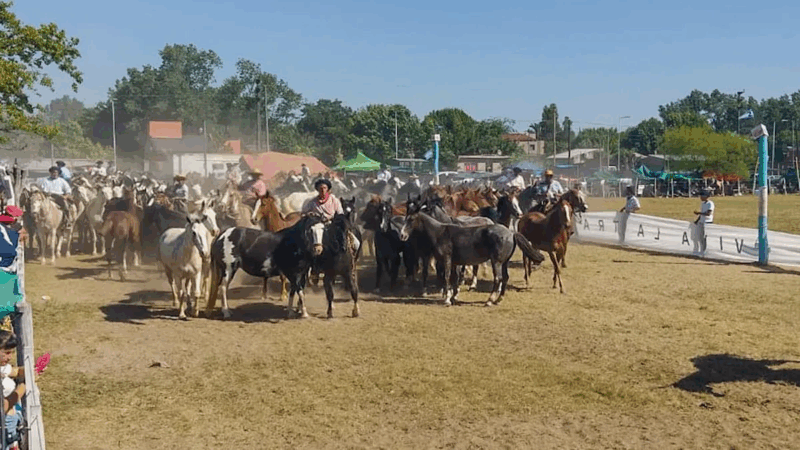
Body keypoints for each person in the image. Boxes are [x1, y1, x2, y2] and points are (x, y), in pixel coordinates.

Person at [0, 330, 27, 450]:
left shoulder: (2, 367)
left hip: (10, 423)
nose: (10, 357)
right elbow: (3, 406)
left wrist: (31, 371)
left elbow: (15, 371)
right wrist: (22, 388)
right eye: (6, 353)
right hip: (4, 427)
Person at [693, 189, 714, 253]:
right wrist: (697, 221)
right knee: (700, 237)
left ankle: (705, 251)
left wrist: (698, 213)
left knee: (705, 238)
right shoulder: (702, 203)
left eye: (702, 196)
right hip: (701, 222)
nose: (700, 197)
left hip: (707, 222)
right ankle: (702, 250)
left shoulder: (710, 203)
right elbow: (702, 213)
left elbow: (708, 213)